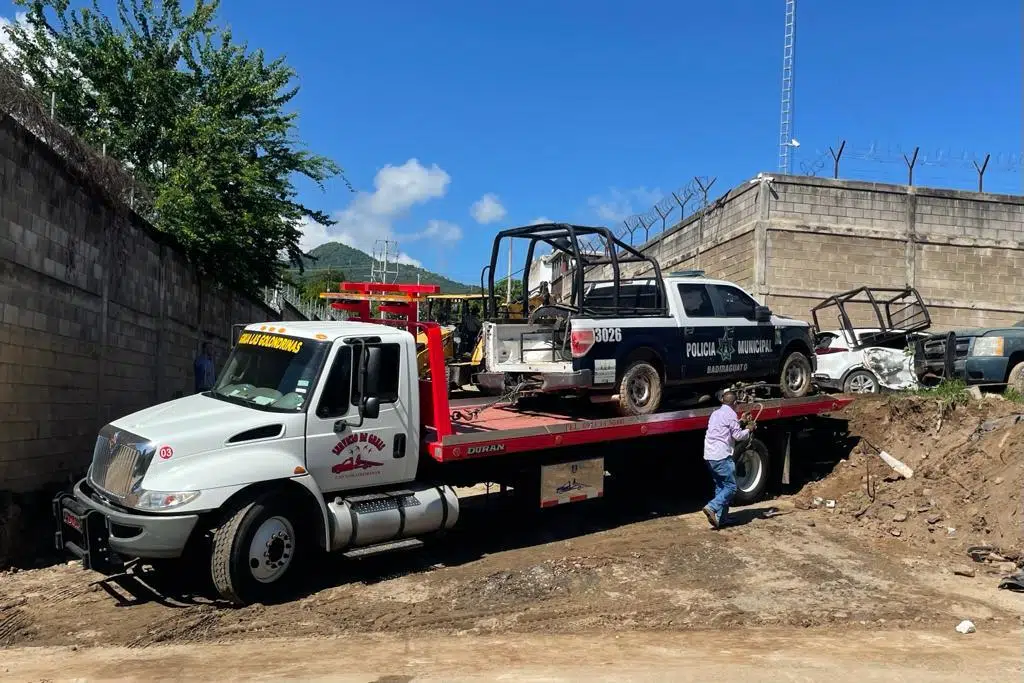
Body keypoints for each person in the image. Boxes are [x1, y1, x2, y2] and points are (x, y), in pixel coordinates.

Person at [702, 389, 754, 529]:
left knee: (721, 486)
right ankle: (712, 507)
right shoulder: (731, 414)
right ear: (735, 403)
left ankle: (721, 519)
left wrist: (740, 421)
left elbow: (725, 428)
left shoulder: (715, 413)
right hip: (721, 456)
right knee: (731, 487)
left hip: (709, 455)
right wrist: (749, 429)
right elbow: (737, 436)